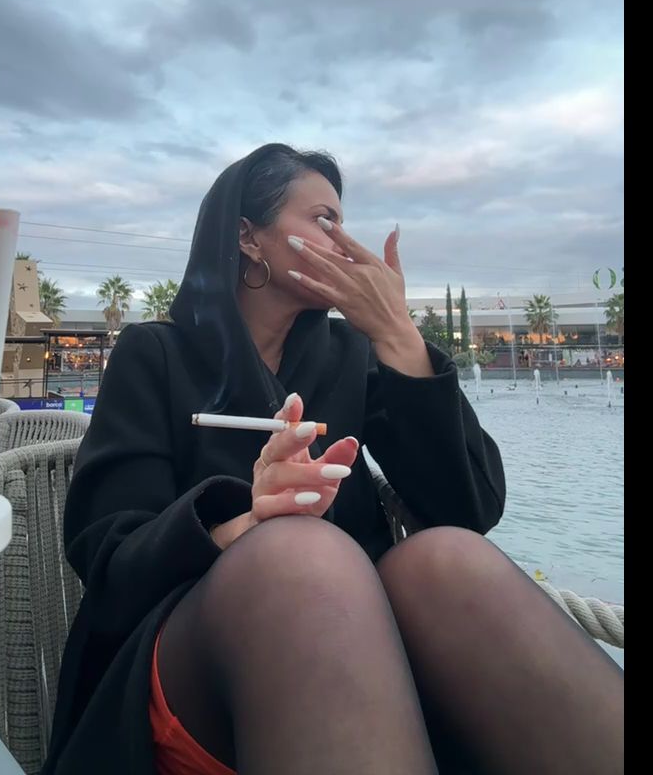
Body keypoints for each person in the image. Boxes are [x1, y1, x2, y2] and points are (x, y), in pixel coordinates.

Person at [44, 144, 623, 775]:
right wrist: (246, 523)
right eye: (324, 220)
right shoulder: (154, 353)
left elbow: (471, 507)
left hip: (362, 665)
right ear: (248, 238)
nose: (346, 245)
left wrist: (398, 336)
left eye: (344, 224)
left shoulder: (352, 355)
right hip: (185, 667)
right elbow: (108, 555)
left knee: (447, 558)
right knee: (300, 553)